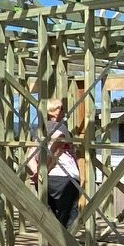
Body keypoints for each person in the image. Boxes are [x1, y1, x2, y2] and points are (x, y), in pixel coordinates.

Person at [27, 95, 82, 229]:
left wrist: (37, 173)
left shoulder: (39, 130)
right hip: (65, 178)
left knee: (50, 221)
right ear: (51, 111)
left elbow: (29, 156)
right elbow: (57, 146)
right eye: (60, 108)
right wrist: (45, 169)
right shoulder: (60, 127)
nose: (62, 111)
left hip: (45, 180)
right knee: (68, 219)